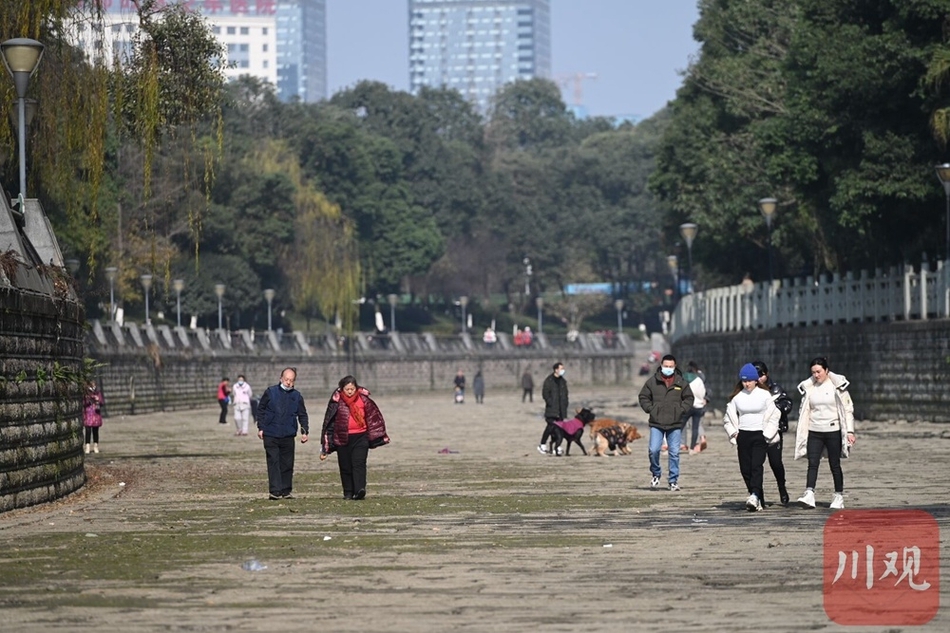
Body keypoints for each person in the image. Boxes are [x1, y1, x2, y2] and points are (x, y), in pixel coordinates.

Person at [794, 357, 856, 510]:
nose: (816, 375)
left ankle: (838, 495)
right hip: (814, 430)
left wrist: (849, 431)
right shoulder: (809, 388)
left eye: (819, 371)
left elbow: (848, 410)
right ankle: (809, 493)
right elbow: (805, 411)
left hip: (833, 430)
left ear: (826, 370)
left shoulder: (838, 387)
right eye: (813, 372)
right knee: (812, 463)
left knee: (834, 464)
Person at [319, 376, 390, 500]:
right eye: (347, 389)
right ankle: (348, 492)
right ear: (342, 389)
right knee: (345, 466)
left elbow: (374, 418)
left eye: (352, 388)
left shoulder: (364, 400)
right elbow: (329, 423)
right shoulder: (336, 402)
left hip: (361, 436)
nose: (350, 391)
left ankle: (359, 490)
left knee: (359, 463)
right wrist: (325, 446)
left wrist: (377, 437)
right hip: (342, 438)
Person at [723, 363, 782, 511]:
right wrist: (734, 433)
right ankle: (756, 497)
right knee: (745, 469)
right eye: (744, 381)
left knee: (756, 466)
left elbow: (775, 414)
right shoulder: (737, 397)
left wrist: (767, 433)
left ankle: (755, 494)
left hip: (760, 435)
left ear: (756, 380)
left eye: (749, 380)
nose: (747, 383)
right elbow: (727, 418)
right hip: (743, 435)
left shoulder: (764, 395)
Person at [638, 354, 693, 491]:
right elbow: (643, 396)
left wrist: (681, 410)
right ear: (661, 366)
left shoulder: (681, 382)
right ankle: (656, 473)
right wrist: (650, 409)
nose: (668, 368)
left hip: (674, 423)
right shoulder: (652, 382)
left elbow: (689, 398)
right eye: (665, 366)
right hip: (656, 422)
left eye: (670, 366)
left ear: (674, 367)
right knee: (653, 450)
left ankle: (673, 480)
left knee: (674, 453)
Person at [256, 368, 309, 500]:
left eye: (291, 380)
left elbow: (302, 414)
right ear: (281, 378)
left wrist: (304, 431)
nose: (288, 382)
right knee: (273, 462)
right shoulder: (270, 392)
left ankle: (286, 490)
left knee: (287, 463)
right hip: (271, 433)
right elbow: (261, 410)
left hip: (288, 434)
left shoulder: (297, 396)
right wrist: (261, 427)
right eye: (286, 379)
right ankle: (275, 491)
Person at [752, 360, 793, 505]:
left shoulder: (775, 389)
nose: (758, 379)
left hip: (774, 431)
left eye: (761, 375)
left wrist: (776, 408)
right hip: (755, 431)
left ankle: (782, 487)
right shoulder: (749, 390)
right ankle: (758, 493)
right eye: (755, 375)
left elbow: (788, 403)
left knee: (775, 462)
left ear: (766, 375)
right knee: (756, 464)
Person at [538, 362, 569, 455]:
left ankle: (556, 446)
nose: (563, 370)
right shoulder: (549, 380)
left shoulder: (563, 381)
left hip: (561, 409)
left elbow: (565, 395)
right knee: (550, 427)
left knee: (558, 429)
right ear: (556, 370)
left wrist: (565, 404)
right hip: (552, 409)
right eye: (561, 368)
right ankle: (542, 444)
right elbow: (545, 394)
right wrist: (550, 403)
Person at [684, 361, 707, 454]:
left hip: (687, 406)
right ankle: (692, 448)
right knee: (695, 428)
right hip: (698, 406)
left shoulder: (683, 380)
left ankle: (674, 444)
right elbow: (702, 392)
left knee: (680, 426)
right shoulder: (698, 380)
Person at [82, 380, 104, 454]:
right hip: (88, 414)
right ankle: (87, 446)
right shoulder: (86, 393)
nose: (93, 387)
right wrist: (89, 398)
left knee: (95, 431)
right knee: (87, 431)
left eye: (94, 385)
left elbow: (102, 402)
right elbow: (84, 403)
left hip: (96, 414)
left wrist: (98, 400)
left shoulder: (98, 393)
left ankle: (95, 446)